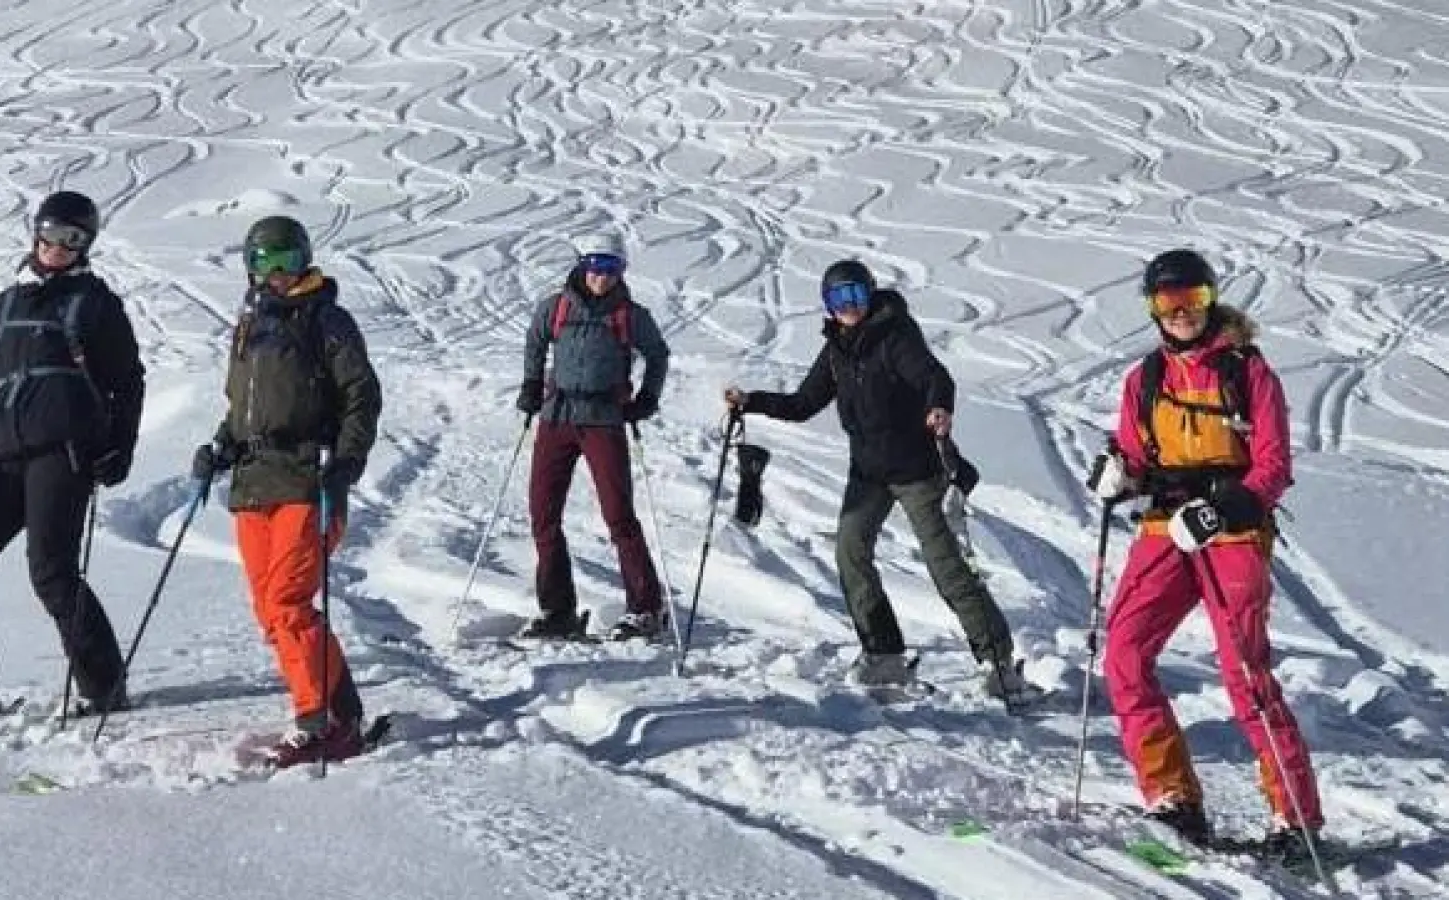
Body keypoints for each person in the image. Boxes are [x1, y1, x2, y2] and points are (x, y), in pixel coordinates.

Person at [1088, 248, 1321, 854]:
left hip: (1232, 532)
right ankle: (1173, 797)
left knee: (1244, 671)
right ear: (1152, 309)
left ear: (1211, 299)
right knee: (1124, 653)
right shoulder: (1145, 379)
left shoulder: (1247, 372)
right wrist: (1117, 474)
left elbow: (1272, 467)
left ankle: (1295, 818)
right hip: (1166, 527)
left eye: (1193, 299)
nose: (1182, 312)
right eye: (1168, 302)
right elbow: (1135, 454)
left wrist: (1223, 509)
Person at [724, 260, 1031, 704]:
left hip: (917, 472)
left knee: (946, 567)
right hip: (868, 474)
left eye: (855, 295)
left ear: (869, 295)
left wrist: (939, 407)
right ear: (827, 306)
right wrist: (751, 402)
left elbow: (934, 377)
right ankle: (883, 653)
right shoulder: (837, 350)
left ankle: (997, 662)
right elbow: (803, 403)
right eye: (838, 299)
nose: (848, 307)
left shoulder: (895, 335)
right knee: (850, 553)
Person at [0, 190, 146, 728]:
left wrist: (120, 446)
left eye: (73, 238)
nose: (58, 246)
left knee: (51, 571)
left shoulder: (96, 303)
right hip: (2, 458)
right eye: (51, 233)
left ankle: (105, 687)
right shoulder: (2, 306)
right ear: (36, 233)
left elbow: (128, 382)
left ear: (86, 245)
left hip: (63, 456)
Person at [192, 215, 382, 768]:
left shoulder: (327, 319)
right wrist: (222, 445)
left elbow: (361, 396)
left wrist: (345, 463)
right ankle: (343, 713)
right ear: (249, 267)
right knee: (270, 612)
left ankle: (319, 723)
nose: (277, 273)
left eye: (287, 261)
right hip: (254, 481)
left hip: (306, 477)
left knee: (288, 602)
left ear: (305, 261)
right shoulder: (249, 322)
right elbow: (242, 405)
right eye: (264, 262)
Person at [516, 233, 671, 641]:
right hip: (557, 417)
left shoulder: (630, 315)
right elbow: (535, 341)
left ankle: (646, 608)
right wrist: (531, 384)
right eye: (596, 266)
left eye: (612, 268)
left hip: (604, 419)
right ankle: (558, 610)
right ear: (583, 265)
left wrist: (647, 398)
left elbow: (658, 354)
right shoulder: (556, 307)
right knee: (543, 514)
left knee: (618, 515)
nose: (602, 277)